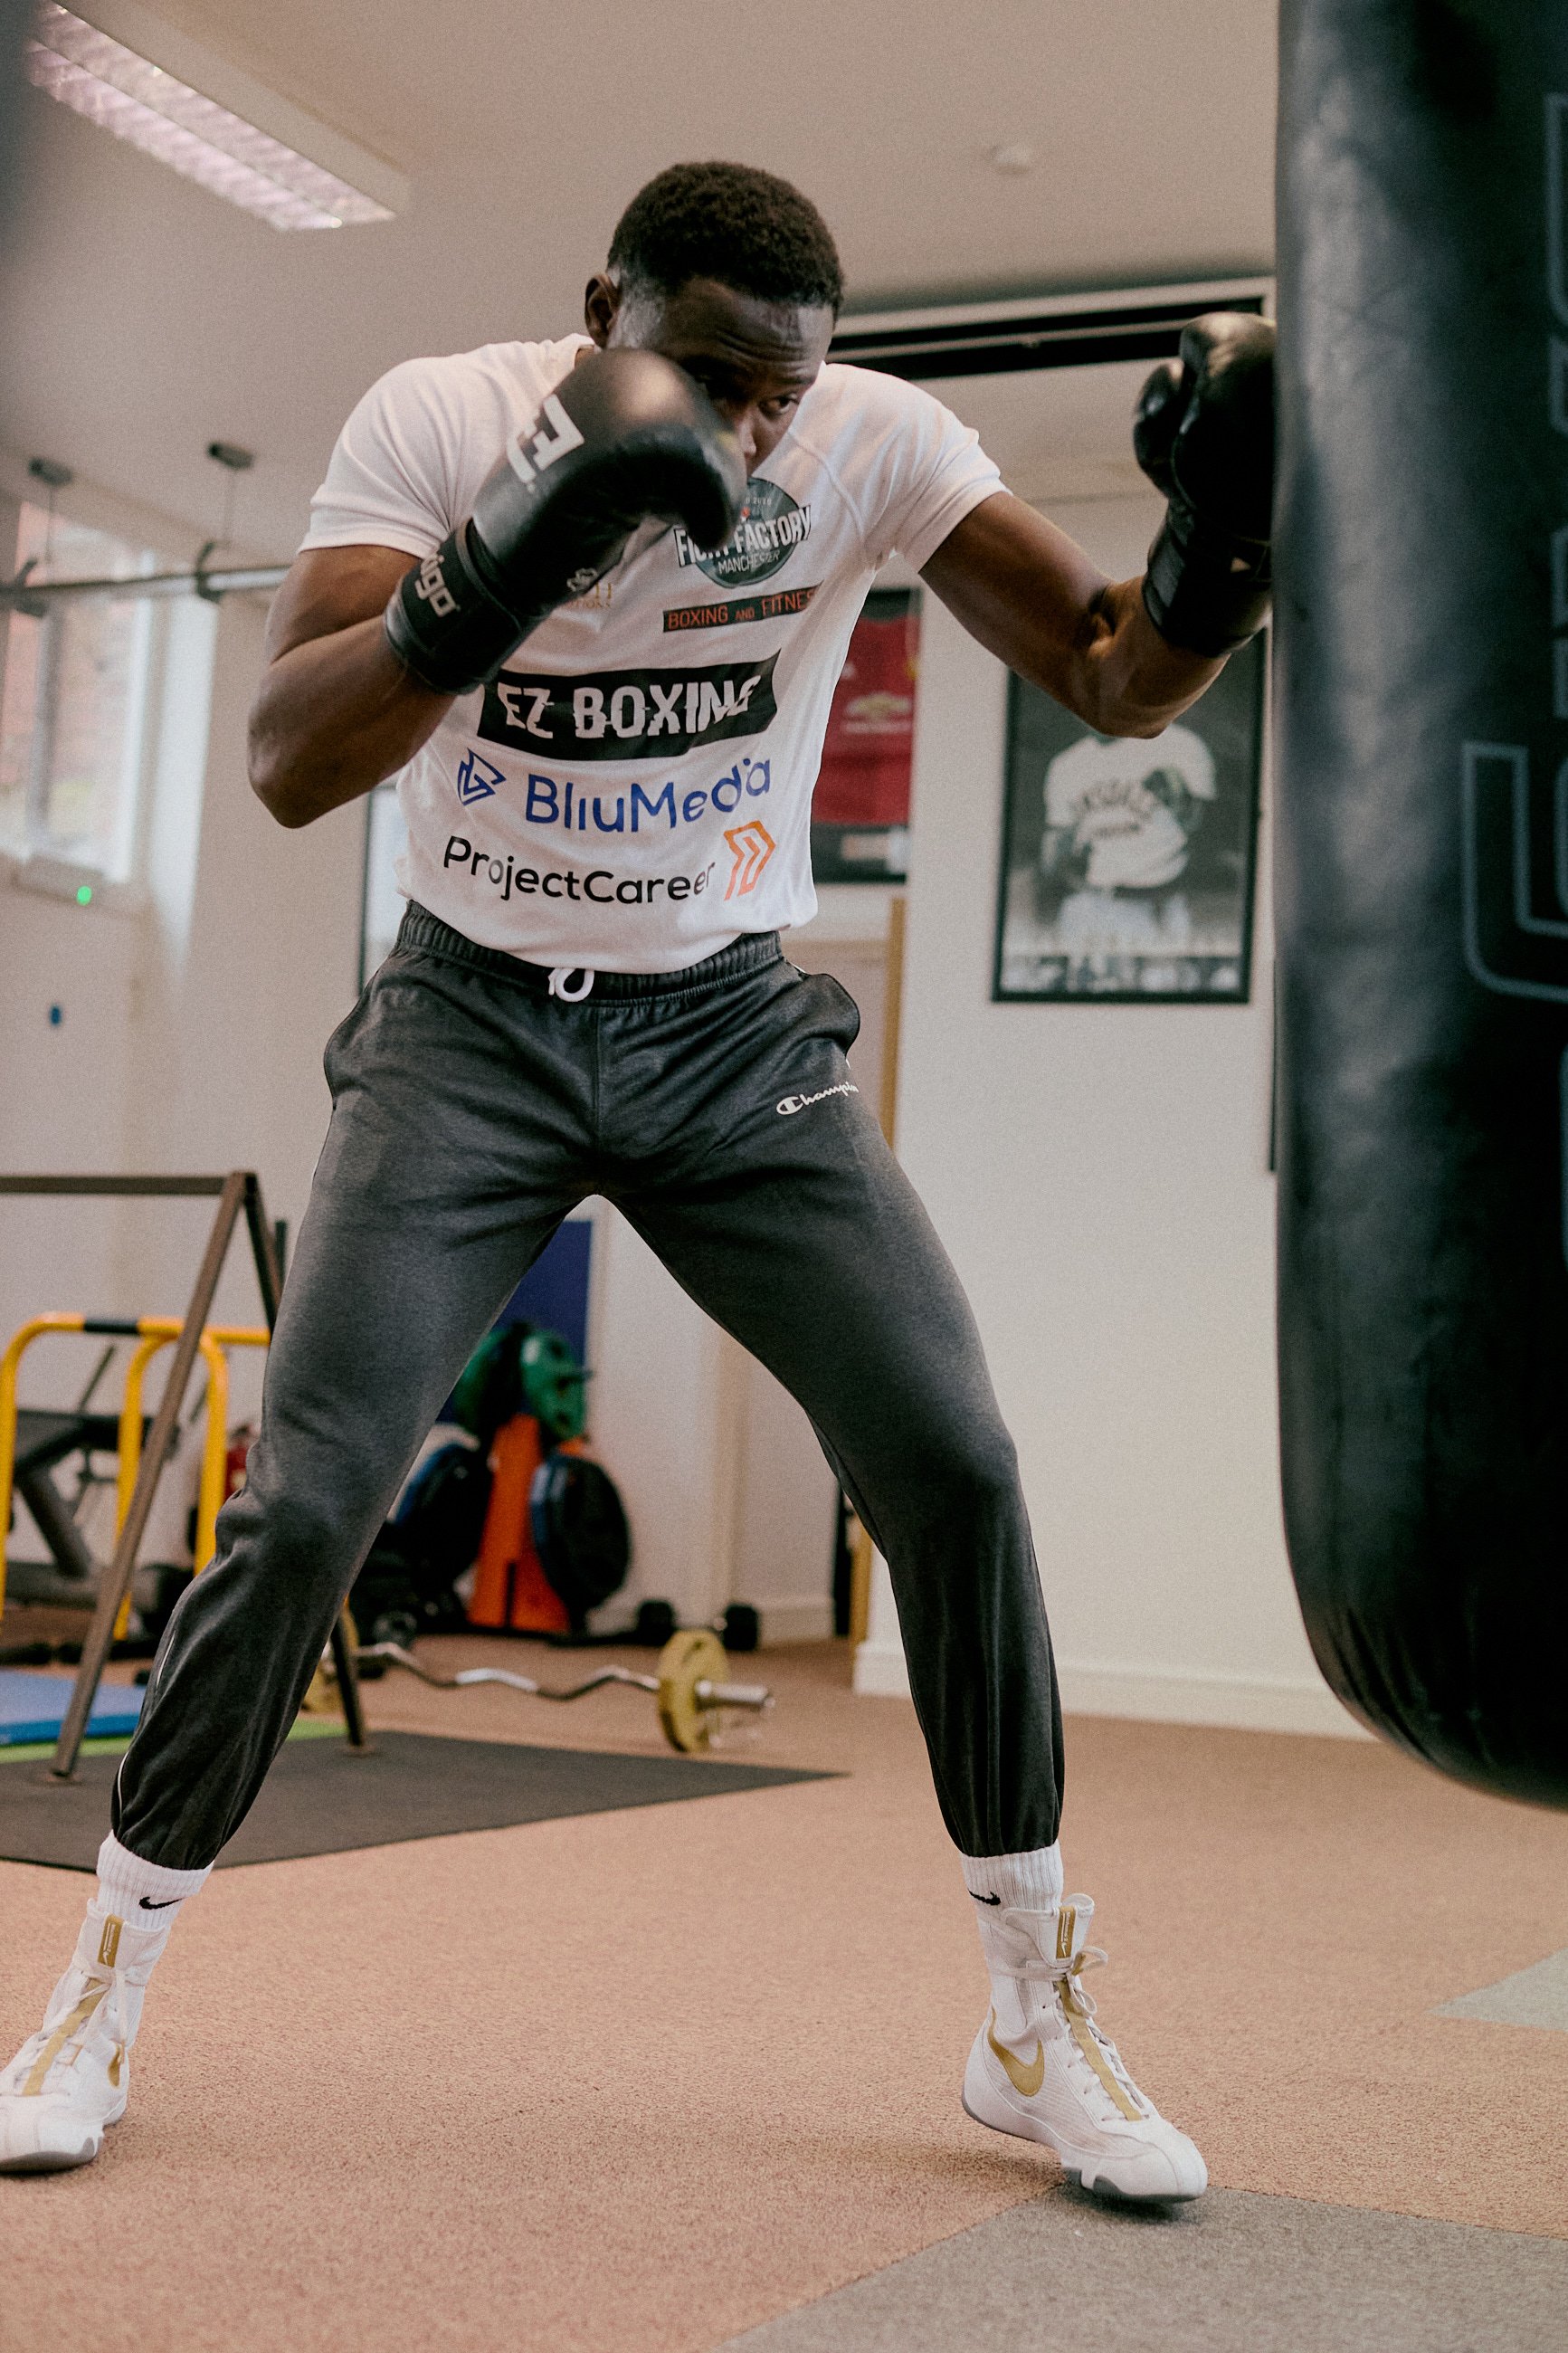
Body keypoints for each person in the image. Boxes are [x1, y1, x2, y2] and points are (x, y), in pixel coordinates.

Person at [0, 161, 1272, 2196]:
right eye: (707, 377)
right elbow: (290, 757)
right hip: (469, 1021)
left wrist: (1222, 562)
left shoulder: (876, 446)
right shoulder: (436, 420)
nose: (751, 431)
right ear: (604, 309)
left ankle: (1035, 2016)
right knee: (313, 1495)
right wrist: (501, 562)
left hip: (724, 1032)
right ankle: (97, 1994)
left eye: (783, 392)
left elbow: (1113, 675)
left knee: (954, 1457)